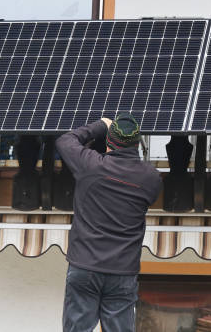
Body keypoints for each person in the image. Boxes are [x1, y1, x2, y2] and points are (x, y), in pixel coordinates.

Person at [56, 113, 162, 332]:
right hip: (123, 271)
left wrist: (99, 126)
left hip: (85, 265)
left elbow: (64, 141)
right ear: (137, 143)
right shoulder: (150, 177)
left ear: (109, 141)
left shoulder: (91, 166)